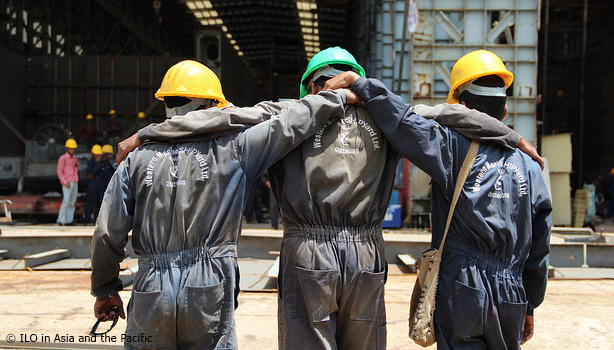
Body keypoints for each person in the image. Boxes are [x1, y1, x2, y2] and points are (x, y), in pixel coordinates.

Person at [119, 47, 543, 350]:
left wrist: (149, 133)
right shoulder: (386, 114)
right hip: (365, 253)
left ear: (310, 85)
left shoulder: (287, 112)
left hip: (307, 251)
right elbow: (448, 114)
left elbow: (221, 117)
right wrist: (511, 136)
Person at [91, 59, 356, 349]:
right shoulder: (236, 146)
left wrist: (105, 290)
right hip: (208, 285)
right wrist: (338, 95)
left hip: (151, 288)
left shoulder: (135, 158)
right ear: (210, 105)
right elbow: (292, 120)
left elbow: (107, 232)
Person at [324, 49, 552, 349]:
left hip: (463, 287)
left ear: (460, 106)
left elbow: (403, 120)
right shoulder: (530, 166)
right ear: (504, 113)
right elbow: (540, 246)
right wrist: (530, 304)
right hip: (511, 293)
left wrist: (362, 85)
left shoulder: (450, 146)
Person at [56, 138, 79, 225]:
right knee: (66, 201)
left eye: (74, 148)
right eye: (71, 148)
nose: (73, 150)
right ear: (67, 148)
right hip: (67, 182)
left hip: (74, 181)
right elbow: (59, 171)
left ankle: (69, 220)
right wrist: (64, 182)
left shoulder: (74, 158)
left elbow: (76, 166)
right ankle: (61, 220)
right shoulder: (63, 158)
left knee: (72, 202)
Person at [84, 144, 105, 225]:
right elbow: (90, 173)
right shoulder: (90, 162)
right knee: (90, 202)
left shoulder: (103, 162)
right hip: (92, 184)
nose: (97, 156)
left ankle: (97, 220)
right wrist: (98, 166)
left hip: (100, 184)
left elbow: (104, 173)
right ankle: (86, 220)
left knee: (99, 203)